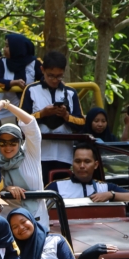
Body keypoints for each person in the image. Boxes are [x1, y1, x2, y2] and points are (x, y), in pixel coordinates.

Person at [19, 51, 84, 182]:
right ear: (42, 70)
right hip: (37, 153)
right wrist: (41, 114)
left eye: (59, 76)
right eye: (51, 76)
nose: (55, 80)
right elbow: (19, 120)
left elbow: (82, 123)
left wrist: (67, 117)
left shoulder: (70, 93)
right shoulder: (31, 90)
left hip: (64, 154)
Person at [0, 98, 45, 220]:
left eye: (13, 142)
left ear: (20, 142)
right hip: (8, 221)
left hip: (37, 218)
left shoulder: (30, 154)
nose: (8, 147)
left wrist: (6, 105)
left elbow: (31, 123)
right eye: (3, 143)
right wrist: (7, 188)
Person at [45, 143, 129, 203]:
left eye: (87, 161)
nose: (82, 166)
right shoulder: (56, 187)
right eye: (77, 161)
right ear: (72, 163)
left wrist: (111, 195)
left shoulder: (105, 188)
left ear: (95, 165)